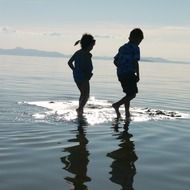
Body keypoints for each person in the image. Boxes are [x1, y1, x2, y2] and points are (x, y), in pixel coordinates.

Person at [112, 28, 144, 120]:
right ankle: (117, 105)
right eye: (140, 40)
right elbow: (135, 62)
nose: (139, 43)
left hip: (120, 74)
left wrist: (120, 68)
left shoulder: (122, 47)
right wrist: (138, 75)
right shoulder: (135, 48)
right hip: (129, 73)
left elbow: (115, 61)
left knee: (128, 93)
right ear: (136, 38)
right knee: (132, 94)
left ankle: (127, 113)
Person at [68, 33, 96, 116]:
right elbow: (86, 66)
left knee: (82, 94)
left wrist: (75, 70)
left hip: (77, 76)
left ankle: (81, 109)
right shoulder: (87, 54)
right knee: (86, 95)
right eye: (92, 45)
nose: (92, 47)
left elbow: (69, 62)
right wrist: (87, 74)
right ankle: (80, 109)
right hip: (84, 77)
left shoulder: (78, 52)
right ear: (89, 45)